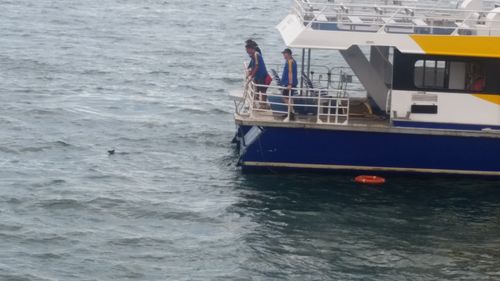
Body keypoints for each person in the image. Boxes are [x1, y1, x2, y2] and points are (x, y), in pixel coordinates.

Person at [281, 48, 298, 120]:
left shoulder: (290, 61)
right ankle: (290, 112)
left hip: (290, 83)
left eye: (284, 54)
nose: (284, 55)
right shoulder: (290, 61)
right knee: (289, 98)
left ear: (288, 54)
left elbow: (290, 73)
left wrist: (290, 84)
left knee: (285, 97)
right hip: (290, 83)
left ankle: (291, 112)